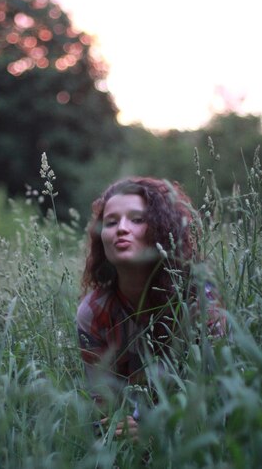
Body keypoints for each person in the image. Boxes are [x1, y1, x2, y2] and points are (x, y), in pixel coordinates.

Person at [77, 176, 224, 439]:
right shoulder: (94, 313)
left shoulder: (198, 299)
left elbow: (219, 395)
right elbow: (100, 405)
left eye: (137, 219)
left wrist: (158, 428)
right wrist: (117, 425)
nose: (121, 228)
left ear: (162, 228)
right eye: (111, 222)